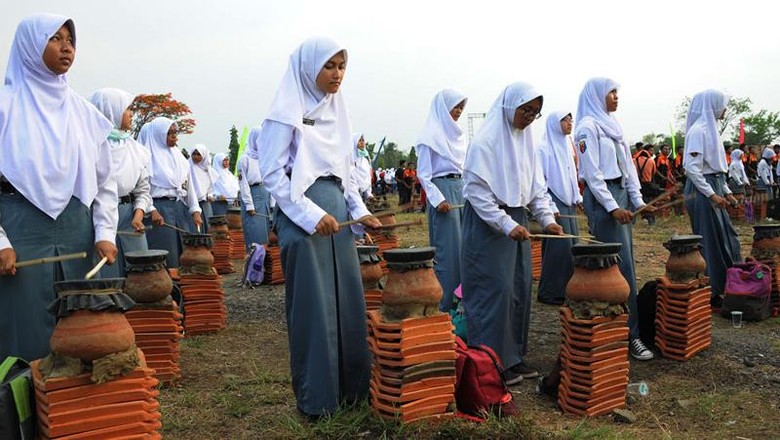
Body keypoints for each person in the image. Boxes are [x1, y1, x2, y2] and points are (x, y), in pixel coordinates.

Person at [256, 36, 382, 418]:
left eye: (342, 66)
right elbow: (273, 175)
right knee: (314, 308)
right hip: (303, 217)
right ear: (310, 68)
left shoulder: (339, 112)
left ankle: (352, 393)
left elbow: (345, 176)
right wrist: (311, 216)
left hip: (337, 216)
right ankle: (317, 402)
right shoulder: (285, 112)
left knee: (348, 303)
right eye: (330, 66)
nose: (337, 74)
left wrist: (359, 212)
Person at [0, 14, 119, 361]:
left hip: (76, 230)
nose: (66, 46)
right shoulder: (6, 109)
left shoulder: (85, 114)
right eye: (54, 38)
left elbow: (105, 182)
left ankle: (76, 412)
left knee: (82, 328)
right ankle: (24, 412)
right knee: (24, 330)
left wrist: (105, 232)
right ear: (29, 45)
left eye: (71, 39)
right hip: (20, 231)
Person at [461, 82, 563, 385]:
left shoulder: (527, 142)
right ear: (509, 106)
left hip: (515, 222)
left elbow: (536, 189)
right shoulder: (485, 142)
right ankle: (489, 361)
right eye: (525, 109)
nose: (529, 117)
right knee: (494, 291)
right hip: (488, 223)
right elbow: (478, 194)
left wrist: (547, 220)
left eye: (535, 112)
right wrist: (507, 224)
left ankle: (513, 357)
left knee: (518, 289)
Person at [574, 77, 654, 361]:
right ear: (597, 96)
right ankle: (621, 335)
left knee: (627, 265)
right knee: (612, 269)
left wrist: (639, 201)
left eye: (617, 92)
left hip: (618, 195)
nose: (616, 97)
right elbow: (593, 175)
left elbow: (628, 169)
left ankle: (628, 332)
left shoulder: (613, 127)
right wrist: (611, 207)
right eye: (612, 92)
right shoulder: (587, 128)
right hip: (603, 199)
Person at [683, 89, 741, 307]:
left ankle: (728, 284)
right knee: (709, 241)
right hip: (701, 190)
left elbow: (716, 169)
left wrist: (725, 192)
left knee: (727, 237)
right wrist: (712, 194)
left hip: (712, 186)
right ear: (713, 105)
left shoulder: (712, 130)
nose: (725, 109)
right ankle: (712, 291)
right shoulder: (698, 131)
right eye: (723, 104)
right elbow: (693, 170)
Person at [89, 88, 154, 278]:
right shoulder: (91, 146)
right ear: (112, 111)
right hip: (95, 216)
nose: (132, 114)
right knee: (107, 276)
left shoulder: (136, 150)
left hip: (128, 215)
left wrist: (138, 214)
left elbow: (143, 189)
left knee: (141, 274)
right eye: (127, 109)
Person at [415, 89, 468, 311]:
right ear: (443, 108)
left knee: (465, 248)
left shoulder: (460, 137)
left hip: (460, 189)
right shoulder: (430, 136)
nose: (458, 112)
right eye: (455, 107)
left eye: (461, 108)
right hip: (443, 192)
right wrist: (438, 199)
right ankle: (444, 304)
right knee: (447, 252)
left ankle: (461, 301)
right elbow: (424, 174)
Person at [138, 117, 202, 269]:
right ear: (159, 135)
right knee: (166, 252)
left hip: (179, 208)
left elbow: (188, 186)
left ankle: (183, 287)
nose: (174, 137)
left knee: (183, 250)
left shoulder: (179, 158)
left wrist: (195, 210)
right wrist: (151, 210)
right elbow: (142, 189)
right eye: (169, 133)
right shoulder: (147, 158)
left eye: (175, 133)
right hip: (158, 210)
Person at [537, 111, 581, 306]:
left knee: (571, 249)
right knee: (557, 251)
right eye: (565, 119)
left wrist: (577, 197)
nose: (569, 123)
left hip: (568, 202)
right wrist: (549, 205)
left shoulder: (567, 145)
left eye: (571, 119)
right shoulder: (543, 148)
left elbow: (572, 176)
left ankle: (567, 289)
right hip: (553, 202)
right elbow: (540, 182)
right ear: (555, 123)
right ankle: (550, 291)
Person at [237, 127, 272, 251]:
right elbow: (243, 183)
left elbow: (270, 179)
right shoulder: (245, 159)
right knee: (254, 230)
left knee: (266, 230)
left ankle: (264, 264)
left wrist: (272, 202)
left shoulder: (265, 157)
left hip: (265, 195)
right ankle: (253, 263)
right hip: (253, 195)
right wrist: (249, 205)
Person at [186, 144, 216, 232]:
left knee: (209, 228)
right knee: (195, 230)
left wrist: (210, 195)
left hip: (205, 203)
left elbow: (211, 186)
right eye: (193, 154)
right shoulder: (188, 167)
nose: (195, 157)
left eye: (198, 154)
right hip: (191, 204)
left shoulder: (207, 170)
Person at [351, 133, 373, 201]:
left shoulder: (365, 162)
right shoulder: (349, 160)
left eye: (363, 140)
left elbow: (367, 180)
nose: (362, 143)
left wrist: (369, 194)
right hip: (352, 196)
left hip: (364, 198)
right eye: (359, 140)